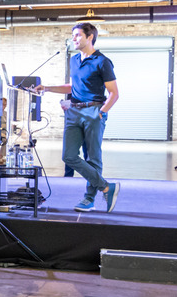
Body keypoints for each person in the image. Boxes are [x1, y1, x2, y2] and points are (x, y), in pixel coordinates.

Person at [36, 21, 121, 213]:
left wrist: (101, 113)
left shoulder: (102, 62)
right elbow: (72, 87)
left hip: (93, 111)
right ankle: (106, 187)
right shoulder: (74, 60)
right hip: (73, 111)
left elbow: (114, 93)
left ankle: (89, 199)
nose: (73, 38)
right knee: (69, 156)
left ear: (90, 37)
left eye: (77, 35)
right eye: (73, 35)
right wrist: (47, 88)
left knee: (93, 157)